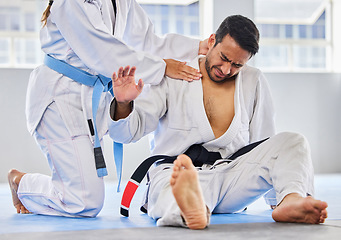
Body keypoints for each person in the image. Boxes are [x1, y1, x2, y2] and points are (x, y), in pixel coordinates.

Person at [109, 15, 328, 229]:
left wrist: (276, 197)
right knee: (169, 192)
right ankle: (191, 208)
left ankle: (289, 200)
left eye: (236, 65)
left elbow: (262, 144)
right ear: (212, 41)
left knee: (293, 141)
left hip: (231, 176)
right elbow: (126, 134)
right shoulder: (174, 74)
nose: (226, 70)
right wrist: (123, 103)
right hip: (175, 172)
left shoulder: (254, 80)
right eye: (223, 58)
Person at [8, 0, 209, 217]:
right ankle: (21, 182)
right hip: (59, 99)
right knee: (84, 203)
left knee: (86, 199)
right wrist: (163, 67)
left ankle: (29, 185)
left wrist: (198, 47)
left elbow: (148, 42)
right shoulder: (69, 2)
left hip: (89, 102)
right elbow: (104, 53)